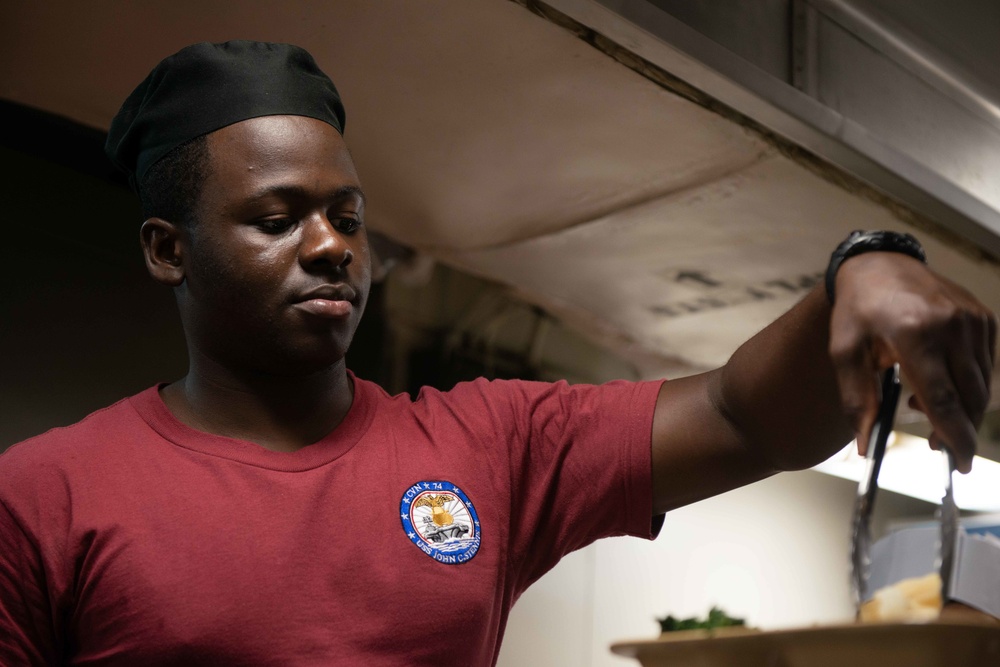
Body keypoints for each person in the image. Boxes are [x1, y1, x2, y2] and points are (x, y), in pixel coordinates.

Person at [0, 40, 994, 666]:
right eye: (277, 217)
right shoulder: (44, 497)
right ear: (169, 250)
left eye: (345, 214)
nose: (331, 244)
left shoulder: (489, 442)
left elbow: (741, 414)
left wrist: (861, 269)